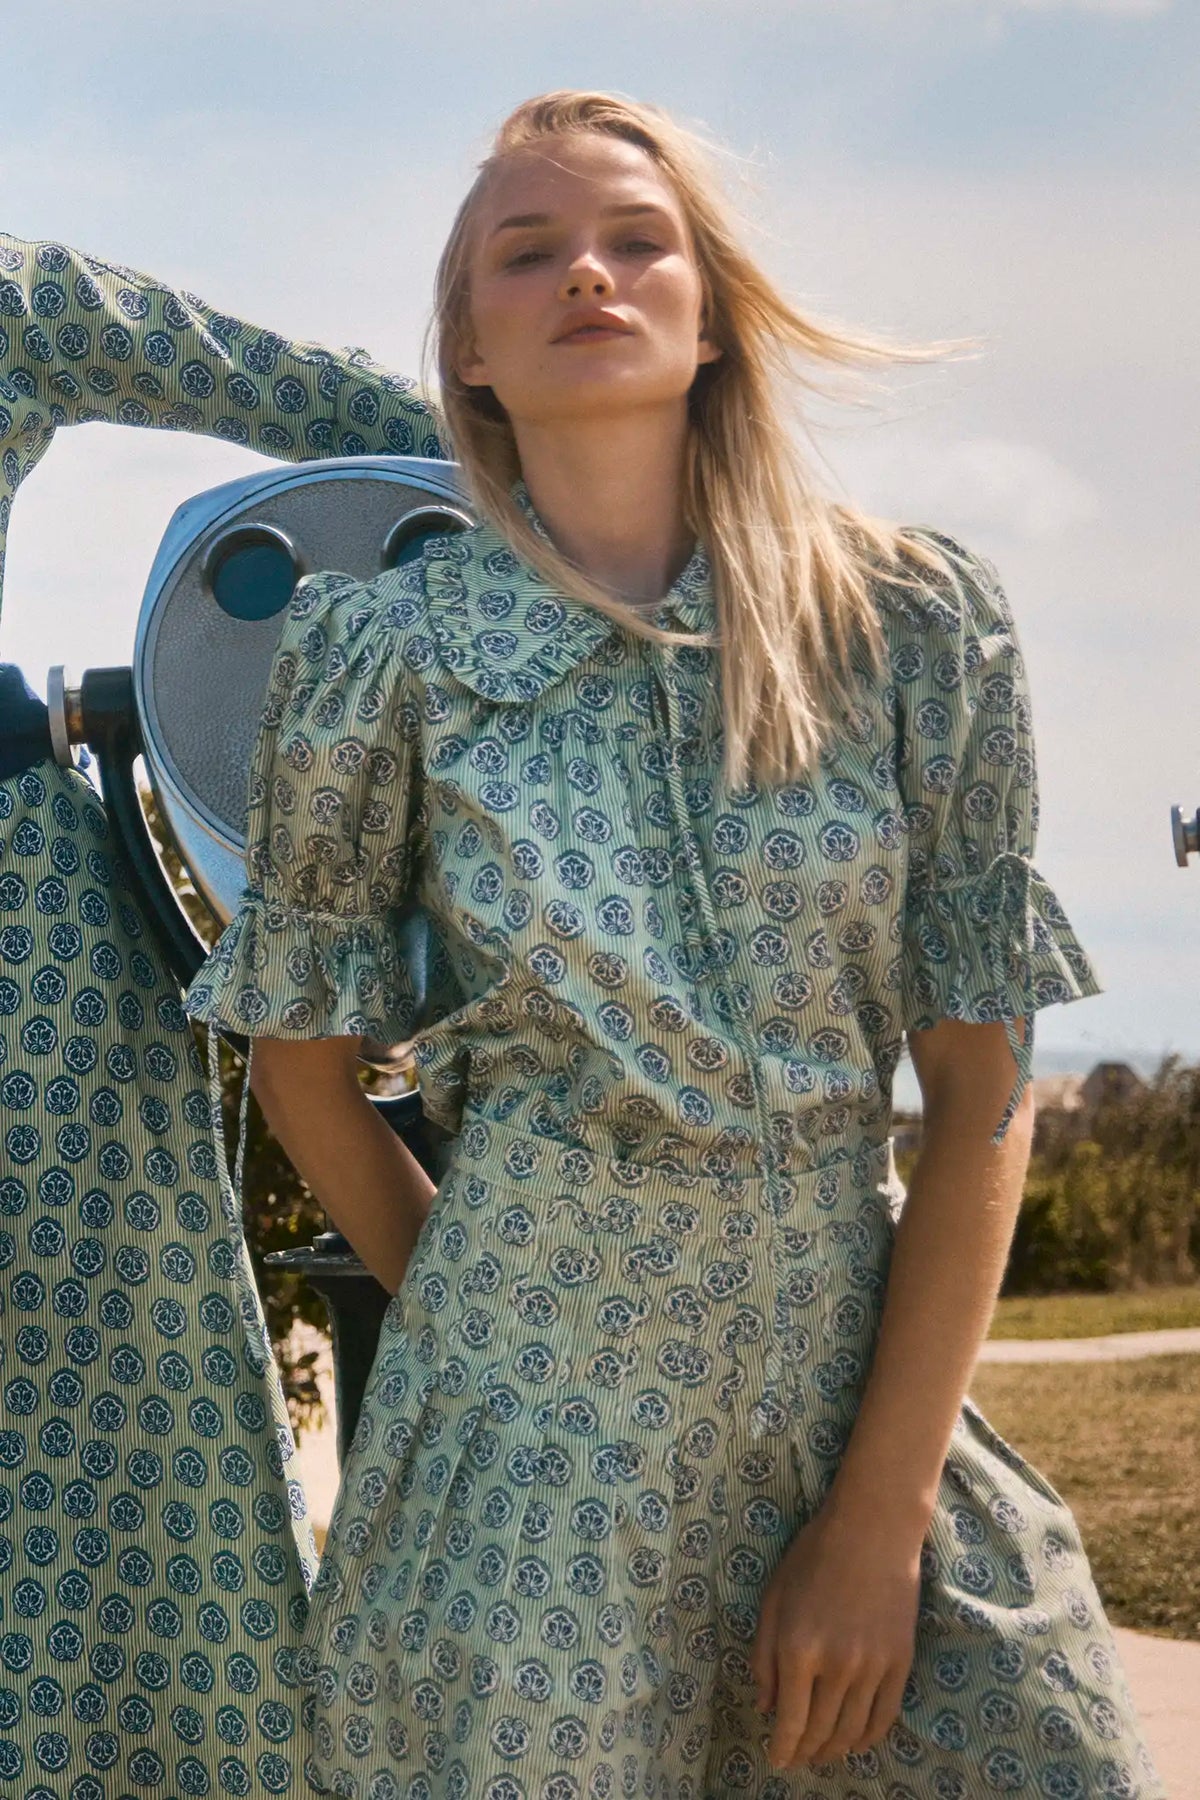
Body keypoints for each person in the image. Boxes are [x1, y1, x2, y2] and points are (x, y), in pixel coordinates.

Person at [1, 88, 1165, 1800]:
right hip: (521, 1446)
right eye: (526, 255)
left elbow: (979, 1083)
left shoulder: (919, 624)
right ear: (465, 342)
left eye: (639, 242)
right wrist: (482, 1335)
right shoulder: (372, 660)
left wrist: (880, 1512)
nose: (589, 280)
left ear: (718, 309)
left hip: (850, 1376)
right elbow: (307, 1071)